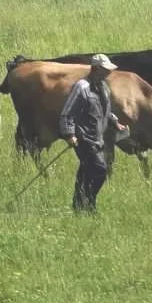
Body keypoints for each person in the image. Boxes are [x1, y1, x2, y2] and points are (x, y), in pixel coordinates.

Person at [58, 53, 122, 213]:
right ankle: (89, 203)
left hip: (97, 137)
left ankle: (79, 206)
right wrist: (69, 134)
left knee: (86, 171)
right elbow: (67, 112)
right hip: (83, 137)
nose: (109, 73)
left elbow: (105, 110)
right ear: (95, 69)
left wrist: (115, 122)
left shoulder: (103, 87)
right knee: (100, 170)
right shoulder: (81, 87)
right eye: (105, 70)